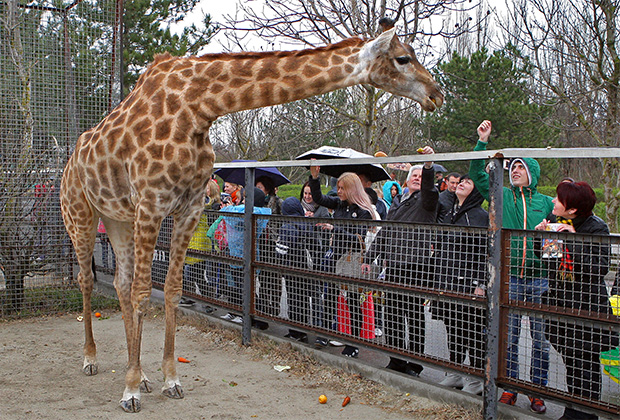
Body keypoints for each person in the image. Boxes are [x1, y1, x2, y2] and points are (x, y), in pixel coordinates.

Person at [469, 119, 554, 414]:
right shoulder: (501, 195)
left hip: (540, 280)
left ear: (532, 173)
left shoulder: (546, 202)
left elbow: (568, 218)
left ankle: (537, 390)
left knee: (540, 341)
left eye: (521, 167)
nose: (515, 170)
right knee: (509, 338)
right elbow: (476, 174)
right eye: (512, 167)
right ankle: (511, 388)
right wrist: (483, 141)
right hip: (510, 280)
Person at [535, 181, 617, 420]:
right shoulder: (557, 221)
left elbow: (598, 268)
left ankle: (586, 415)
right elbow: (550, 262)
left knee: (586, 364)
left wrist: (572, 238)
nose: (553, 202)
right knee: (572, 362)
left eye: (559, 200)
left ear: (572, 208)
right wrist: (542, 237)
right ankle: (572, 411)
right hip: (561, 302)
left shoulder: (596, 228)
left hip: (587, 307)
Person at [362, 146, 439, 377]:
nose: (417, 179)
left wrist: (427, 167)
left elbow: (429, 189)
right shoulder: (398, 202)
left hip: (416, 265)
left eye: (420, 176)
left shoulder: (426, 201)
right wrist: (369, 257)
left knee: (414, 315)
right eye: (413, 176)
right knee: (393, 314)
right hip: (394, 264)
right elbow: (385, 232)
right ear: (406, 181)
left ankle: (414, 363)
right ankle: (395, 359)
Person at [309, 164, 377, 357]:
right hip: (335, 257)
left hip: (351, 260)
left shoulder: (364, 211)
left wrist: (334, 229)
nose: (338, 192)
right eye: (337, 188)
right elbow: (319, 198)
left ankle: (353, 343)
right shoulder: (339, 204)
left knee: (354, 301)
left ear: (352, 189)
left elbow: (358, 239)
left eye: (342, 188)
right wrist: (315, 178)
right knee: (329, 295)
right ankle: (326, 332)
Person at [435, 175, 488, 395]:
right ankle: (454, 371)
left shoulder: (480, 216)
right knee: (453, 327)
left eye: (468, 182)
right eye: (460, 181)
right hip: (448, 280)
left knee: (473, 330)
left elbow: (486, 252)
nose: (462, 183)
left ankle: (475, 378)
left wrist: (481, 283)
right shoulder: (450, 212)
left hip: (470, 283)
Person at [219, 187, 271, 323]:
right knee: (237, 286)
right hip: (236, 254)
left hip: (247, 256)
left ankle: (249, 316)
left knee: (246, 288)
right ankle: (235, 311)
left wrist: (227, 208)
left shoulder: (255, 212)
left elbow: (236, 219)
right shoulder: (244, 210)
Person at [276, 197, 322, 342]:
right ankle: (304, 328)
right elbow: (317, 246)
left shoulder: (287, 226)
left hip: (292, 269)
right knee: (304, 299)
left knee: (293, 299)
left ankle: (295, 331)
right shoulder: (307, 223)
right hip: (307, 268)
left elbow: (281, 251)